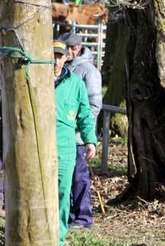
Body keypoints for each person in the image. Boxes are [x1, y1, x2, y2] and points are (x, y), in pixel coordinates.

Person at [53, 40, 97, 246]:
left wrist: (90, 140)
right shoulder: (36, 80)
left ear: (66, 57)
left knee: (63, 192)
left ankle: (58, 240)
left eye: (59, 56)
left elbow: (85, 114)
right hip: (38, 143)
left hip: (65, 146)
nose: (55, 60)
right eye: (51, 55)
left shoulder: (76, 83)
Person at [60, 32, 101, 230]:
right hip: (63, 134)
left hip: (76, 135)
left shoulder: (88, 71)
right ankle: (69, 214)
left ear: (75, 49)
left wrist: (84, 132)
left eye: (65, 48)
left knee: (79, 176)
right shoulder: (64, 67)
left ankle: (83, 216)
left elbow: (93, 104)